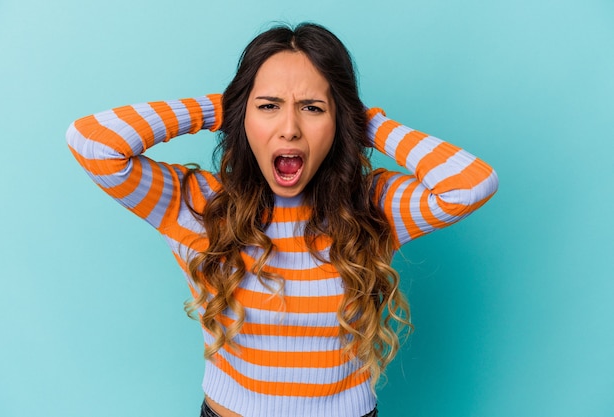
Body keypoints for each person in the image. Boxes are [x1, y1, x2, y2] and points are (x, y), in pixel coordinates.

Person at [66, 22, 498, 417]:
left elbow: (470, 184)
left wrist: (371, 125)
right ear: (243, 117)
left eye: (312, 108)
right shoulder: (195, 205)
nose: (289, 128)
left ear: (338, 122)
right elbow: (92, 143)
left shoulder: (372, 205)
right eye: (269, 106)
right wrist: (222, 108)